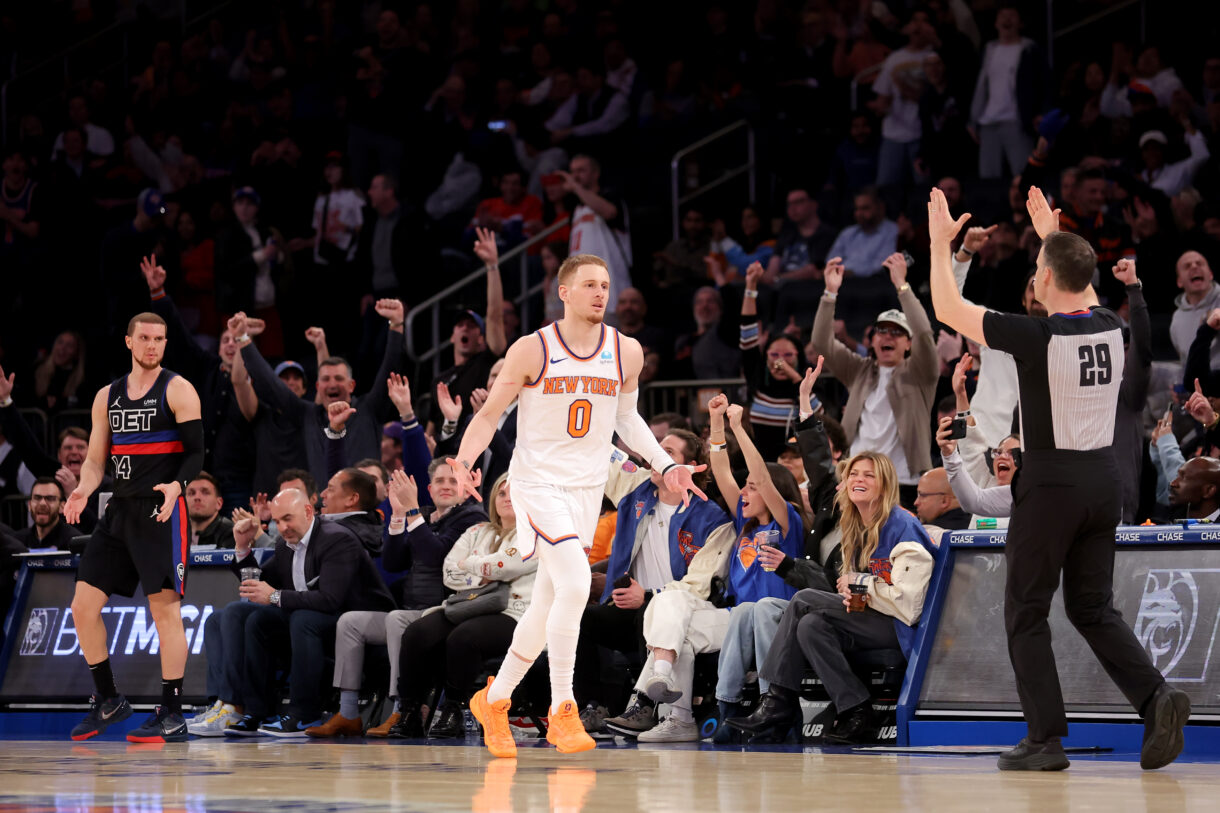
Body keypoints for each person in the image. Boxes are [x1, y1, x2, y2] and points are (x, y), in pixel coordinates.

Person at [927, 183, 1190, 771]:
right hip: (1104, 482)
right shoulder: (1109, 325)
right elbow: (1082, 276)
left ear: (1043, 278)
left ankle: (1044, 740)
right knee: (1092, 607)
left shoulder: (1036, 336)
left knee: (1025, 609)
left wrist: (939, 245)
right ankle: (1156, 696)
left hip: (1050, 485)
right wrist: (1053, 238)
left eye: (1040, 267)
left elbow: (947, 309)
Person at [449, 251, 706, 759]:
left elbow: (628, 421)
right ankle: (561, 707)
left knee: (548, 602)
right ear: (563, 292)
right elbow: (491, 414)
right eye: (589, 284)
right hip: (538, 482)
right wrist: (462, 460)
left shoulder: (625, 350)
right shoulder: (533, 348)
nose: (600, 293)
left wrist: (664, 464)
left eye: (605, 284)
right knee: (572, 585)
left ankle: (495, 699)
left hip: (587, 488)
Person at [727, 451, 935, 744]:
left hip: (904, 631)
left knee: (803, 601)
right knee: (810, 625)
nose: (858, 479)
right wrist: (857, 592)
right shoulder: (854, 527)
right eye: (853, 473)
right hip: (871, 623)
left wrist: (861, 585)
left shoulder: (903, 527)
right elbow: (856, 595)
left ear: (885, 484)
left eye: (868, 475)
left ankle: (777, 703)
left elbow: (909, 606)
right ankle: (856, 710)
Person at [63, 312, 204, 743]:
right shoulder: (107, 396)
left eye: (159, 339)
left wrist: (177, 488)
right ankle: (108, 698)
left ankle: (173, 712)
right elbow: (94, 459)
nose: (152, 346)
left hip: (161, 510)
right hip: (119, 511)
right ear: (128, 341)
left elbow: (196, 454)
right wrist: (84, 490)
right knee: (82, 608)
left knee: (164, 613)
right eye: (144, 338)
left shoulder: (178, 389)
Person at [391, 474, 539, 739]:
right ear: (493, 500)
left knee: (464, 637)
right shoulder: (476, 531)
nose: (507, 498)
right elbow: (449, 572)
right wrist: (485, 570)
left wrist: (470, 564)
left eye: (514, 493)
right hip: (469, 605)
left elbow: (507, 565)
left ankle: (455, 708)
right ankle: (411, 710)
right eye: (501, 493)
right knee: (417, 632)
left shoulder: (536, 535)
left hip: (514, 614)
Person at [813, 252, 937, 506]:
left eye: (897, 333)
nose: (887, 337)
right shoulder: (859, 369)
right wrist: (830, 293)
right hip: (856, 480)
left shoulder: (921, 373)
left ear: (908, 344)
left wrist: (902, 286)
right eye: (881, 330)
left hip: (903, 481)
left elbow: (924, 333)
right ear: (872, 339)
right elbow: (821, 342)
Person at [13, 477, 77, 551]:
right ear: (29, 505)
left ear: (62, 507)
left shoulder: (73, 542)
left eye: (50, 498)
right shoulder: (17, 542)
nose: (42, 504)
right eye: (37, 498)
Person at [185, 472, 235, 548]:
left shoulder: (232, 534)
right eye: (191, 493)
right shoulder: (174, 534)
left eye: (205, 492)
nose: (197, 497)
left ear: (219, 503)